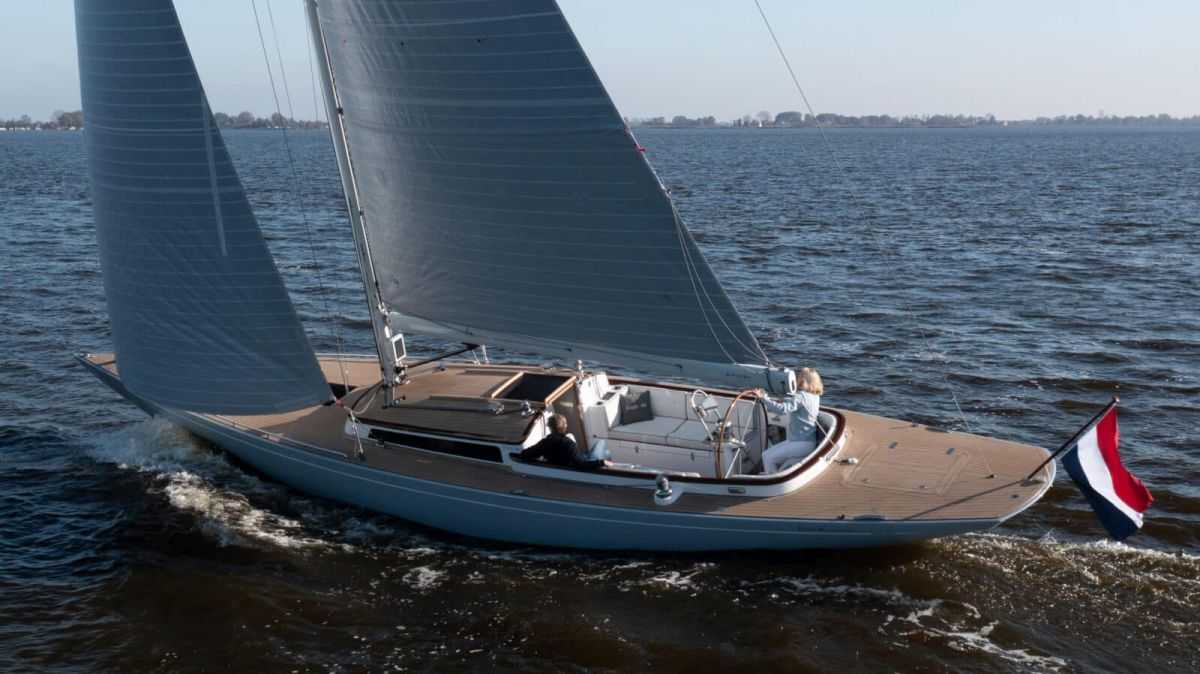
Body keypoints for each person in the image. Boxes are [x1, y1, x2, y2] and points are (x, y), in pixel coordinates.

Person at [756, 367, 823, 474]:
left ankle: (772, 479)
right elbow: (800, 403)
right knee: (766, 455)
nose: (798, 381)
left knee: (768, 458)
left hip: (799, 443)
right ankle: (772, 474)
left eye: (800, 378)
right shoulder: (815, 396)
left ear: (804, 380)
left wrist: (763, 398)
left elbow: (782, 410)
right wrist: (785, 400)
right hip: (808, 442)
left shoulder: (801, 396)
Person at [516, 413, 606, 470]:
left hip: (565, 461)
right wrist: (602, 462)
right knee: (601, 443)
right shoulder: (569, 443)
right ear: (565, 426)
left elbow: (525, 454)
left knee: (589, 452)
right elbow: (580, 464)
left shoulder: (545, 442)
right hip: (579, 462)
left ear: (550, 427)